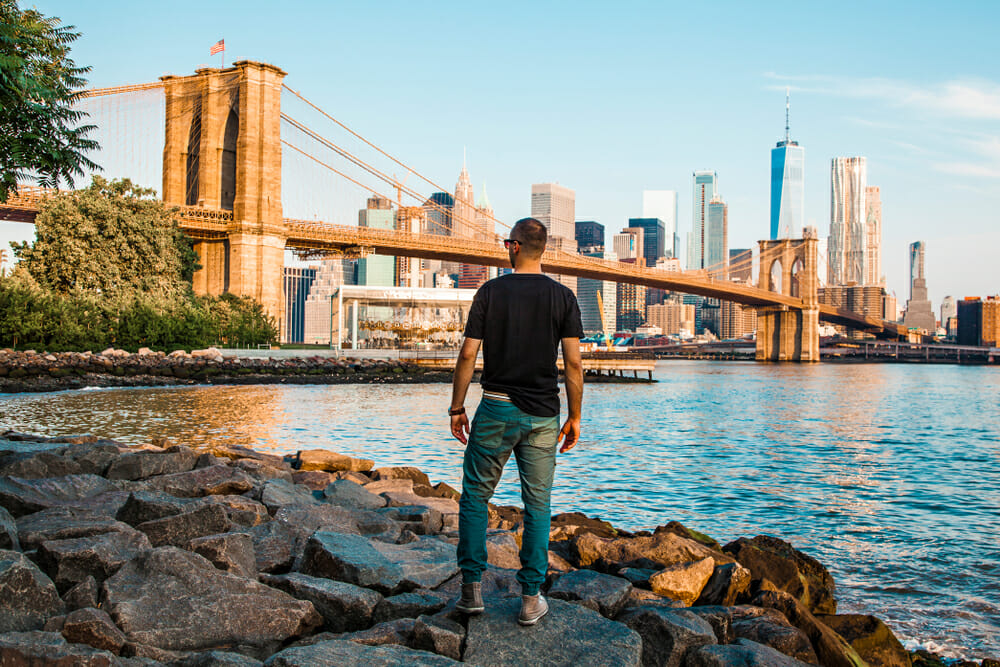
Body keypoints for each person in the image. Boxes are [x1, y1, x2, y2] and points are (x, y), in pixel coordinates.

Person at [448, 217, 584, 626]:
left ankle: (471, 592)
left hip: (495, 409)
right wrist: (575, 416)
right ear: (544, 250)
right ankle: (530, 598)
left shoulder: (490, 292)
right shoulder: (563, 297)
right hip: (544, 415)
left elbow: (469, 356)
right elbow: (574, 364)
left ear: (513, 247)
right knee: (537, 504)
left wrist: (457, 408)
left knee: (475, 497)